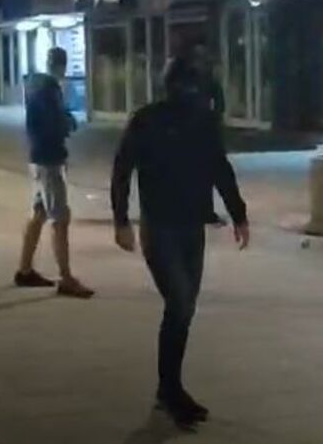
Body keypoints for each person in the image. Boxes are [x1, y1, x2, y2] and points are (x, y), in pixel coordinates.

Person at [111, 56, 249, 429]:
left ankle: (169, 388)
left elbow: (220, 168)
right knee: (180, 302)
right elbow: (122, 169)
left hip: (191, 225)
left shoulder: (202, 122)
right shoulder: (147, 120)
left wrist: (238, 214)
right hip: (159, 226)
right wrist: (121, 220)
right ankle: (170, 391)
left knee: (184, 308)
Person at [15, 46, 93, 299]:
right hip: (50, 158)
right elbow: (57, 122)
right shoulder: (50, 89)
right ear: (62, 66)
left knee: (39, 213)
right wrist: (69, 123)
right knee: (60, 217)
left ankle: (25, 269)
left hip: (37, 156)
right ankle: (66, 278)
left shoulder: (34, 85)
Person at [190, 43, 228, 226]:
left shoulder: (200, 79)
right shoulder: (202, 78)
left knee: (203, 174)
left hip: (199, 128)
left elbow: (219, 102)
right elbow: (219, 103)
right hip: (198, 129)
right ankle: (202, 210)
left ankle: (202, 210)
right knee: (203, 174)